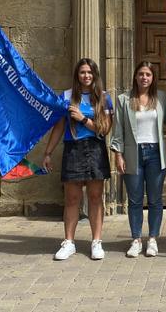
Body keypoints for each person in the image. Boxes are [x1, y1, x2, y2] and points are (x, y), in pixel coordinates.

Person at [42, 58, 114, 261]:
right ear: (77, 75)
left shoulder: (103, 97)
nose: (86, 76)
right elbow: (58, 127)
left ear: (95, 75)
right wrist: (47, 152)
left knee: (95, 197)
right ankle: (69, 242)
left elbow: (105, 130)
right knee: (72, 199)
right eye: (82, 72)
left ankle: (96, 242)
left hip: (95, 149)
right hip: (72, 149)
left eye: (90, 72)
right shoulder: (65, 96)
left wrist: (83, 118)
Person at [110, 62, 166, 258]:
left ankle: (152, 239)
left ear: (153, 78)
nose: (144, 77)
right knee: (135, 200)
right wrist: (118, 154)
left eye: (148, 75)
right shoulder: (124, 99)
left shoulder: (160, 97)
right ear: (135, 77)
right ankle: (136, 239)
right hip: (132, 154)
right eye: (141, 74)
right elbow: (118, 129)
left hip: (155, 153)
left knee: (155, 199)